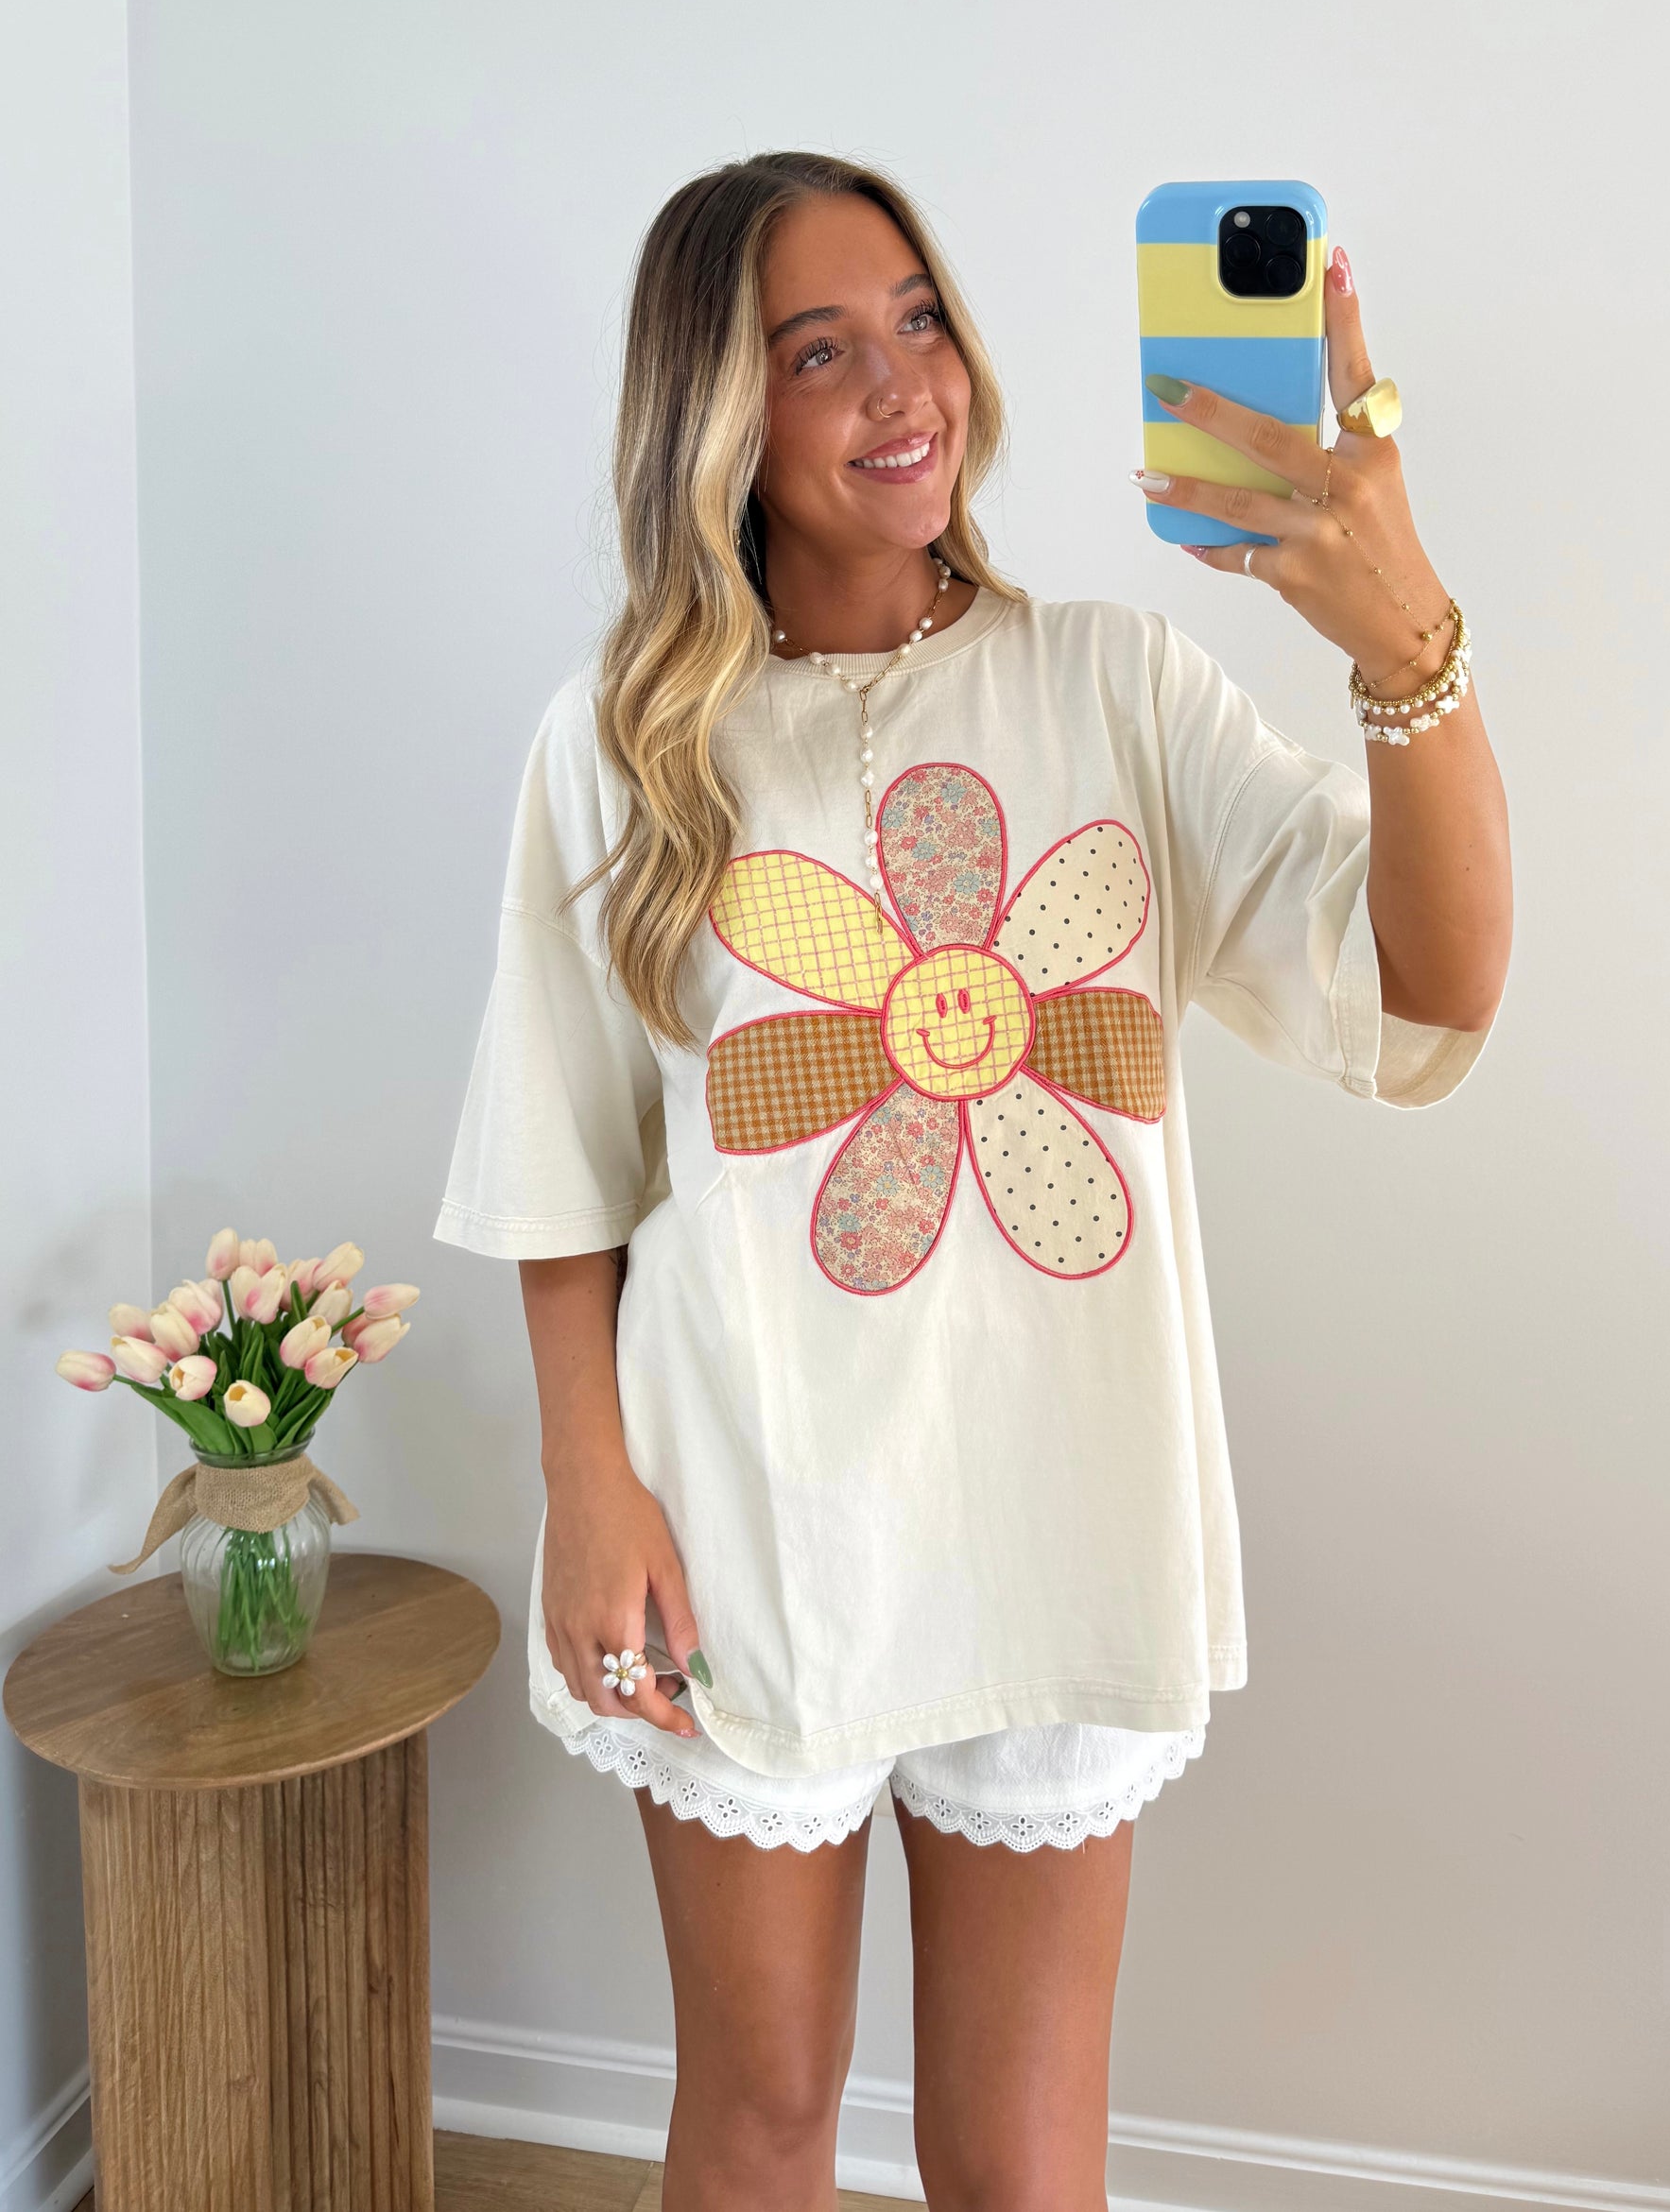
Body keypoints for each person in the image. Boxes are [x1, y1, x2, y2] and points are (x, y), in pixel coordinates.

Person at [433, 149, 1511, 2212]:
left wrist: (1406, 642)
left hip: (1057, 1507)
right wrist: (588, 1488)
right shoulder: (624, 741)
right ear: (716, 416)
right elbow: (559, 1149)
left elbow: (1429, 990)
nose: (898, 381)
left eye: (917, 317)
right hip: (742, 1519)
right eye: (816, 350)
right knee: (759, 2118)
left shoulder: (1115, 687)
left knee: (1020, 2163)